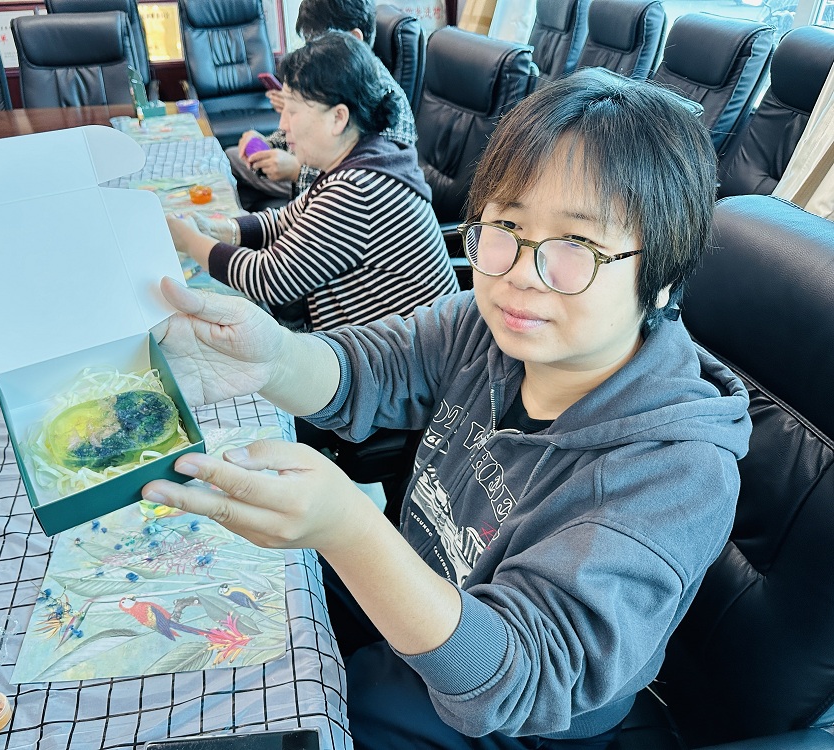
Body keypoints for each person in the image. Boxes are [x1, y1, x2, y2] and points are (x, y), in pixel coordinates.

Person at [142, 69, 752, 749]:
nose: (519, 273)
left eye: (576, 245)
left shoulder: (679, 471)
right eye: (506, 226)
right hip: (422, 599)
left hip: (516, 714)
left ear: (662, 274)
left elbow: (523, 680)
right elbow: (374, 367)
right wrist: (273, 360)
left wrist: (349, 530)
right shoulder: (489, 328)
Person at [167, 31, 456, 332]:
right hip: (380, 345)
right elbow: (284, 220)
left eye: (292, 111)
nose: (282, 124)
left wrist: (191, 242)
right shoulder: (363, 159)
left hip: (407, 357)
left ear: (338, 118)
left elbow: (270, 279)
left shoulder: (358, 189)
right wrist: (218, 229)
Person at [225, 0, 417, 211]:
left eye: (318, 43)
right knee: (233, 160)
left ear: (354, 39)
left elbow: (370, 183)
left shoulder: (386, 99)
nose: (311, 53)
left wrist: (296, 172)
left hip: (342, 197)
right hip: (313, 175)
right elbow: (306, 126)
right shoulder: (335, 80)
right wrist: (268, 144)